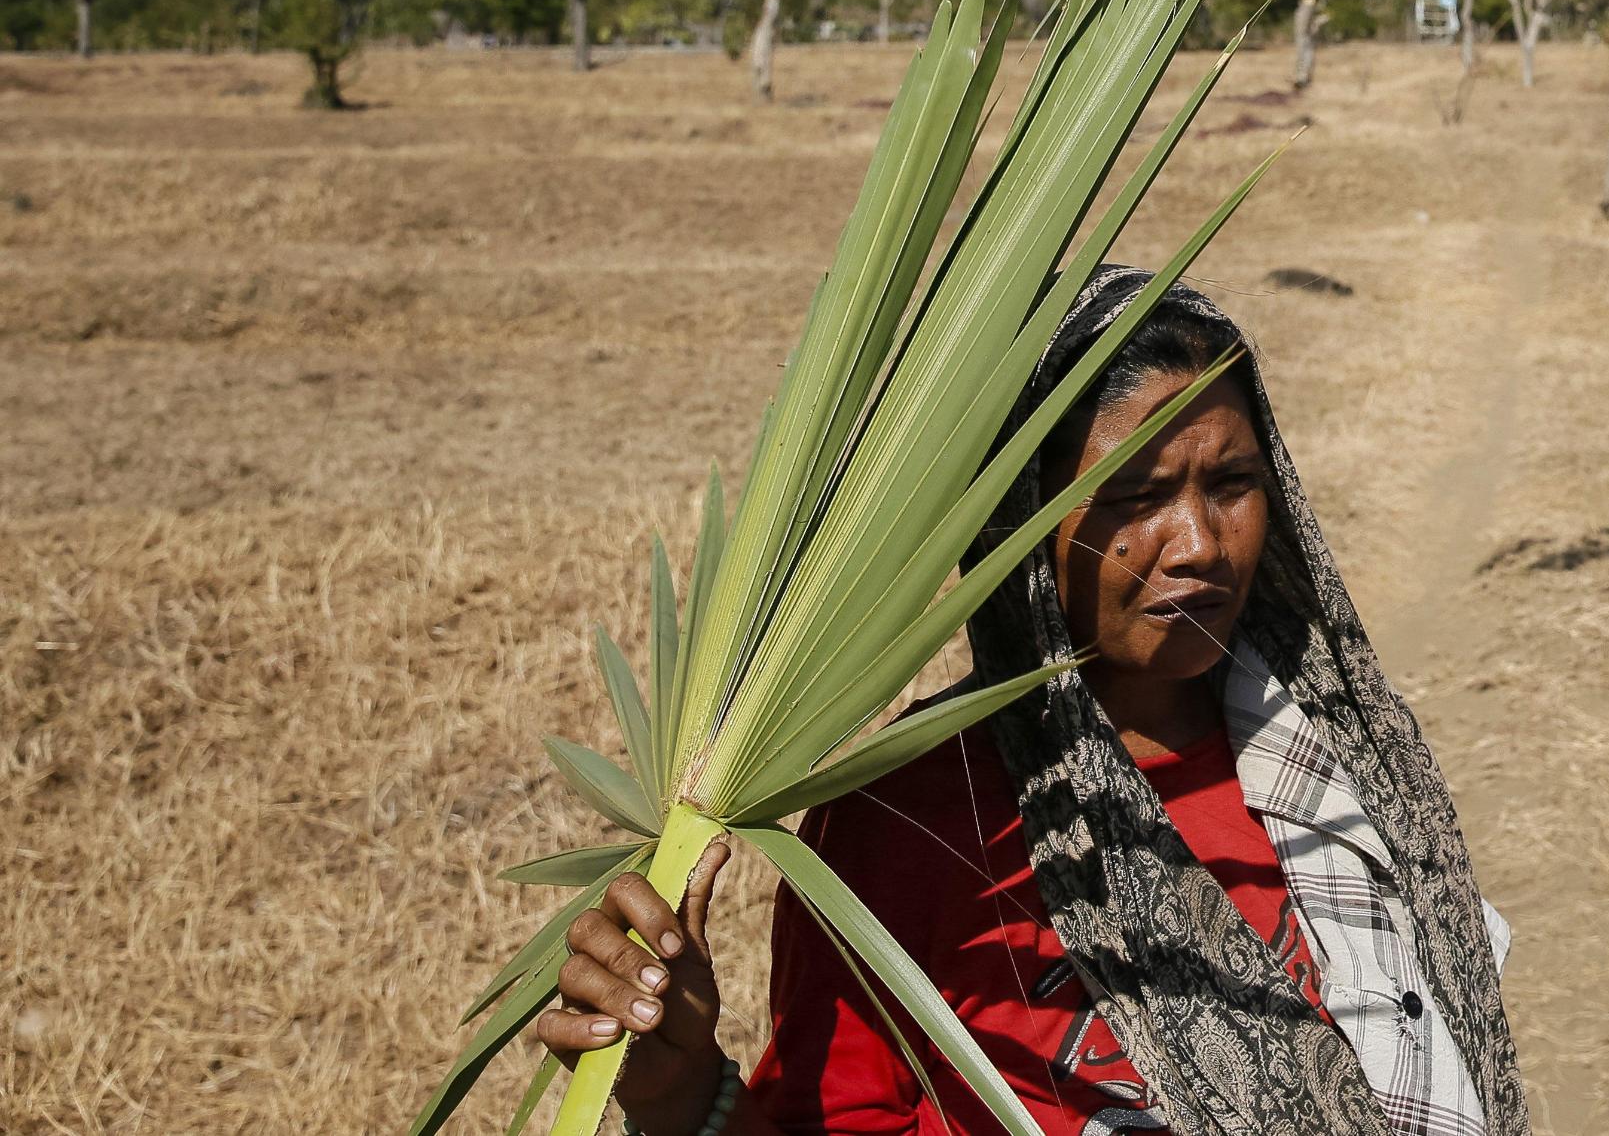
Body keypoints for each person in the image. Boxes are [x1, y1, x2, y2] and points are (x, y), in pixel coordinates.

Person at [534, 267, 1524, 1136]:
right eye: (1134, 493)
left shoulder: (1343, 761)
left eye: (1231, 480)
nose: (1198, 542)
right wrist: (681, 1090)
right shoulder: (907, 819)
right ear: (1024, 525)